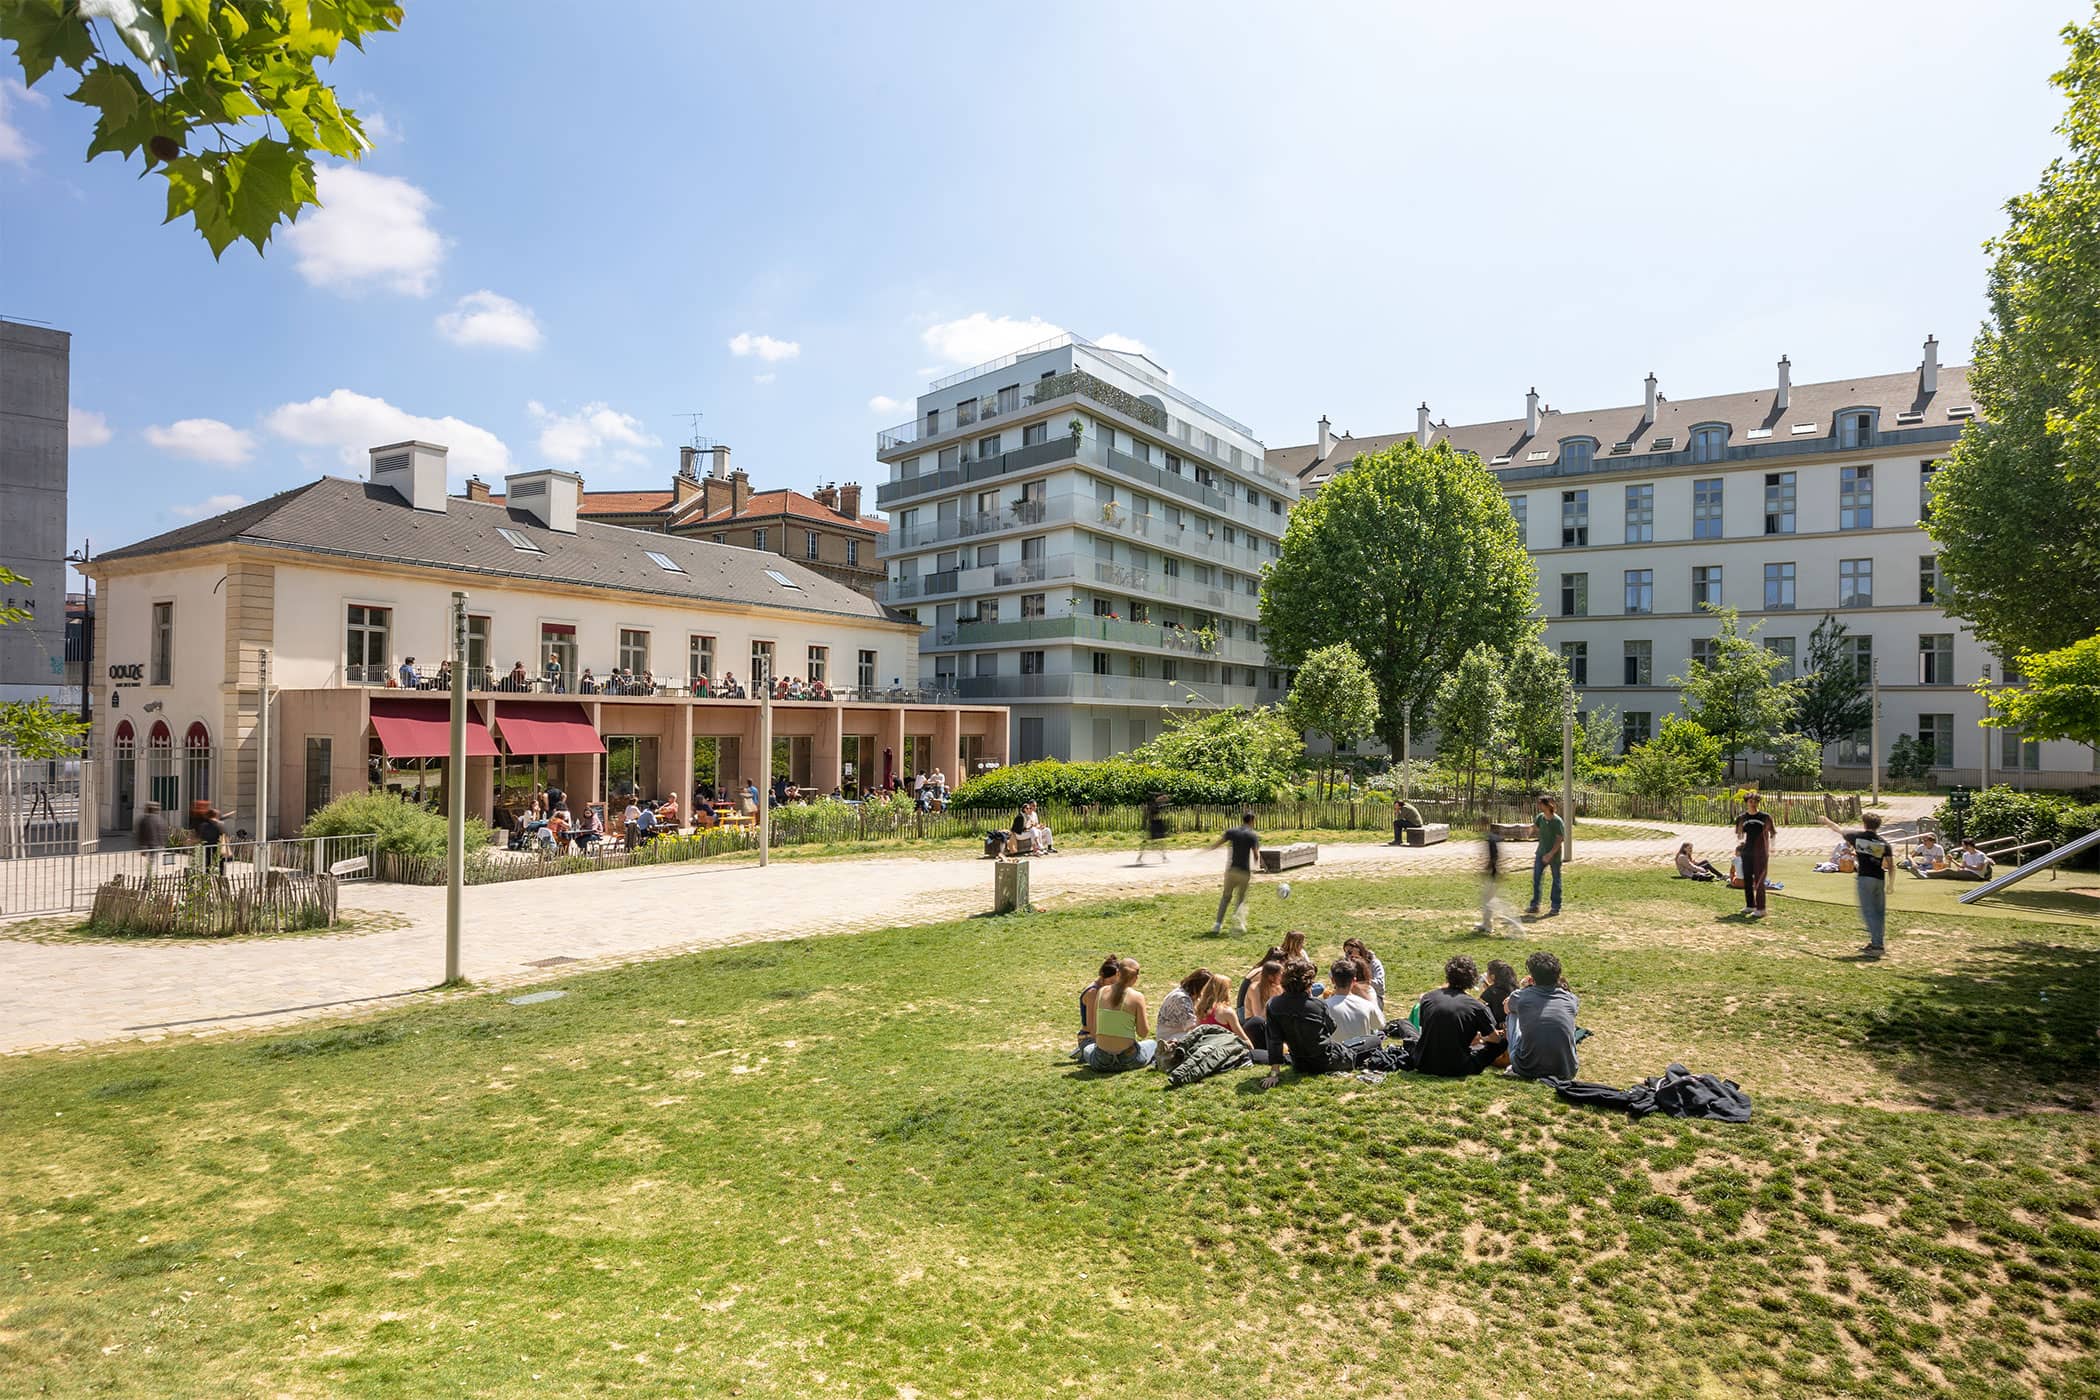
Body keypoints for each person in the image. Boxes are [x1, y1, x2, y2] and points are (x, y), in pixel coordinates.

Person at [1413, 955, 1503, 1077]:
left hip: (1423, 1063)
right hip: (1457, 1067)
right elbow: (1495, 1039)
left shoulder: (1428, 998)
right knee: (1502, 1043)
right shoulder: (1476, 1006)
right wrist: (1481, 1039)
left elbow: (1425, 1028)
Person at [1817, 810, 1893, 955]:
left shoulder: (1857, 837)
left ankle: (1877, 946)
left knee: (1868, 912)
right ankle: (1877, 942)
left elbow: (1838, 829)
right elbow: (1890, 865)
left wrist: (1826, 821)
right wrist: (1891, 884)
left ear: (1865, 824)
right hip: (1879, 879)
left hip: (1865, 878)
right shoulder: (1884, 843)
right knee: (1879, 912)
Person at [1259, 956, 1338, 1086]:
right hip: (1325, 1060)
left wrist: (1274, 1074)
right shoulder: (1317, 1005)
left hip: (1299, 1063)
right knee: (1369, 1042)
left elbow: (1274, 1041)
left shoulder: (1273, 1005)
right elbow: (1332, 1027)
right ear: (1309, 983)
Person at [1506, 951, 1581, 1081]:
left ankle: (1518, 1059)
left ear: (1533, 976)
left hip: (1526, 1067)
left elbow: (1507, 1007)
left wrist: (1525, 987)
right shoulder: (1571, 999)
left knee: (1512, 1014)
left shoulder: (1521, 996)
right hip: (1566, 1070)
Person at [1082, 958, 1155, 1072]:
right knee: (1153, 1044)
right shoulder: (1137, 997)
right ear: (1136, 978)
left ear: (1117, 973)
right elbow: (1143, 1033)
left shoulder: (1101, 992)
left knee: (1088, 1048)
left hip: (1101, 1061)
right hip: (1129, 1059)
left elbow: (1094, 1031)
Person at [1209, 811, 1261, 935]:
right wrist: (1257, 862)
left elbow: (1218, 843)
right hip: (1244, 872)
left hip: (1231, 870)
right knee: (1240, 899)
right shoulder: (1252, 835)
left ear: (1243, 820)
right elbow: (1255, 854)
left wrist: (1209, 848)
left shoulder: (1232, 832)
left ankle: (1217, 925)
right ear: (1252, 821)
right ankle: (1238, 924)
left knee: (1226, 897)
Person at [1734, 791, 1776, 918]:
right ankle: (1750, 905)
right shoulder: (1742, 818)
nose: (1753, 804)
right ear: (1746, 802)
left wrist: (1772, 848)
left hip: (1761, 853)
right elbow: (1739, 836)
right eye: (1750, 801)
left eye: (1756, 801)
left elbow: (1773, 833)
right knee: (1747, 878)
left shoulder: (1765, 817)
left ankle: (1761, 909)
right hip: (1747, 852)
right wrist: (1739, 849)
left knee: (1759, 880)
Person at [1477, 818, 1524, 934]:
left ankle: (1491, 926)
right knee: (1487, 899)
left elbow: (1494, 857)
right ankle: (1486, 923)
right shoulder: (1490, 838)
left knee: (1492, 901)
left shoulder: (1491, 840)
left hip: (1492, 874)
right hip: (1493, 874)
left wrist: (1488, 868)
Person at [1322, 959, 1384, 1043]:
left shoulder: (1323, 1007)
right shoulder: (1366, 1005)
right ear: (1354, 981)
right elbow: (1380, 1024)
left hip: (1336, 1050)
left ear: (1332, 980)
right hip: (1361, 1050)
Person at [1523, 795, 1566, 918]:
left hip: (1554, 856)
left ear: (1548, 805)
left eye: (1541, 803)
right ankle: (1535, 905)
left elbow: (1559, 839)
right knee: (1536, 879)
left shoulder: (1557, 821)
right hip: (1540, 853)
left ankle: (1555, 907)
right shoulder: (1540, 818)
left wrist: (1550, 854)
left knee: (1556, 880)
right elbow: (1535, 827)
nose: (1539, 806)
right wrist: (1529, 830)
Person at [1075, 953, 1122, 1057]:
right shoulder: (1093, 993)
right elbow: (1091, 1027)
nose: (1114, 986)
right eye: (1111, 982)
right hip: (1090, 1038)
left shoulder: (1106, 989)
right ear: (1102, 976)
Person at [1193, 972, 1255, 1050]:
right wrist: (1252, 1049)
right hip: (1225, 1049)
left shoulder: (1200, 1008)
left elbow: (1197, 1031)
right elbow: (1242, 1038)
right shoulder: (1226, 1012)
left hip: (1206, 1048)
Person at [1238, 959, 1284, 1058]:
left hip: (1271, 1021)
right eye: (1280, 974)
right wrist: (1272, 1000)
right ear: (1271, 977)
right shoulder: (1255, 988)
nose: (1283, 977)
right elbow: (1258, 1015)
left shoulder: (1279, 988)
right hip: (1256, 1025)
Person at [1155, 968, 1208, 1044]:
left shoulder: (1185, 993)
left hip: (1176, 1033)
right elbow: (1192, 1026)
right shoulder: (1181, 999)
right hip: (1169, 1038)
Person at [1341, 937, 1386, 1009]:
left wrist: (1363, 982)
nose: (1349, 955)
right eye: (1346, 953)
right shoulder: (1348, 963)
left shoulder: (1374, 963)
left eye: (1350, 952)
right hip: (1353, 995)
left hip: (1373, 995)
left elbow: (1380, 984)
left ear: (1359, 949)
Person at [1480, 958, 1519, 1030]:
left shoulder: (1491, 991)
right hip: (1514, 1025)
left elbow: (1477, 1004)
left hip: (1498, 1029)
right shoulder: (1514, 986)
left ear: (1493, 976)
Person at [1137, 792, 1170, 865]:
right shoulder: (1153, 805)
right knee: (1151, 842)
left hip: (1157, 823)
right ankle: (1140, 857)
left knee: (1159, 842)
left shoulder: (1156, 805)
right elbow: (1150, 814)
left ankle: (1164, 857)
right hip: (1154, 824)